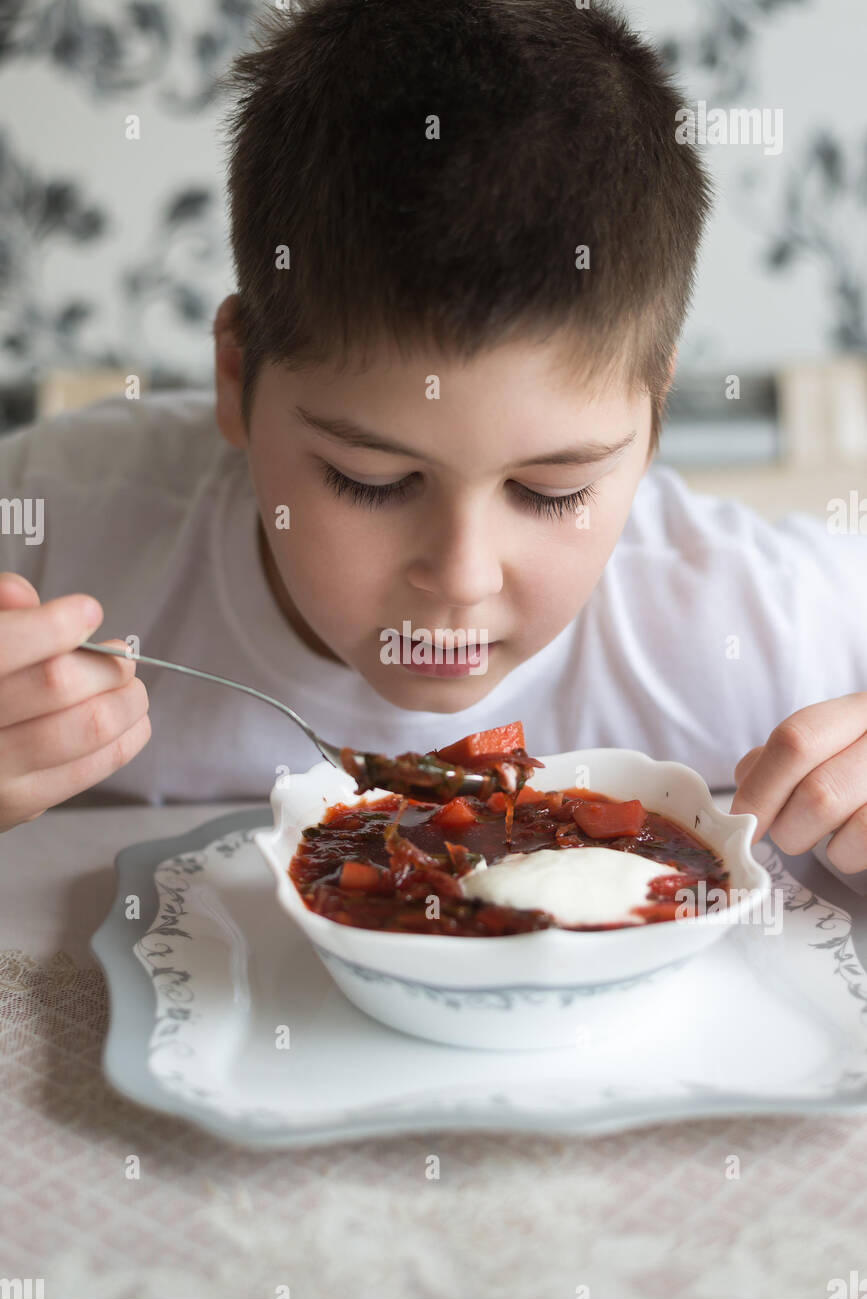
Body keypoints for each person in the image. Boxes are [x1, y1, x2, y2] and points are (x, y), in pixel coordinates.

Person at [0, 0, 865, 874]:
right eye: (370, 480)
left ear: (651, 415)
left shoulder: (750, 620)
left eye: (550, 491)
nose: (461, 575)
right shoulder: (53, 531)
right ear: (235, 376)